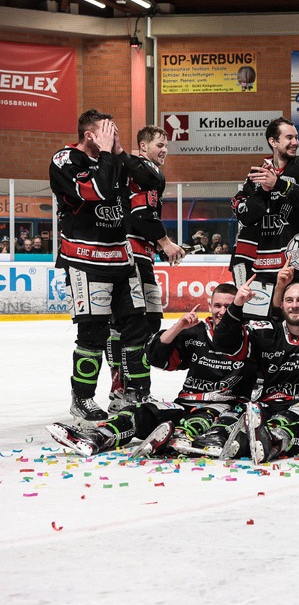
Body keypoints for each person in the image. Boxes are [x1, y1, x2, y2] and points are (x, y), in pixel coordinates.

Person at [46, 283, 258, 458]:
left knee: (199, 420)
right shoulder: (196, 331)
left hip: (224, 408)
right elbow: (155, 357)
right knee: (136, 411)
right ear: (209, 305)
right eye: (217, 305)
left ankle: (176, 440)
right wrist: (178, 327)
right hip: (185, 403)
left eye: (227, 307)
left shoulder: (251, 336)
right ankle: (97, 437)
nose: (221, 312)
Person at [49, 109, 153, 422]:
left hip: (121, 257)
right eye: (108, 132)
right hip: (85, 258)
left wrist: (119, 151)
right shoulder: (65, 160)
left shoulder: (114, 156)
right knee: (93, 333)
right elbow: (99, 191)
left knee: (137, 326)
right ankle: (82, 398)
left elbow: (151, 181)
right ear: (90, 135)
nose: (114, 136)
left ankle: (138, 393)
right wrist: (109, 154)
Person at [214, 269, 299, 464]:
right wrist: (235, 306)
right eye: (290, 300)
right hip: (270, 403)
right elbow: (223, 342)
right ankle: (218, 437)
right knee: (234, 412)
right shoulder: (266, 332)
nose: (295, 305)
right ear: (281, 304)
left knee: (292, 418)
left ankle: (271, 439)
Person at [106, 125, 185, 414]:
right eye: (159, 144)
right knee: (140, 325)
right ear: (142, 146)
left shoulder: (133, 171)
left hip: (133, 256)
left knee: (127, 326)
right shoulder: (144, 170)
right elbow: (141, 216)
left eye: (166, 145)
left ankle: (120, 390)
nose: (164, 150)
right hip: (133, 257)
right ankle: (134, 393)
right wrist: (165, 243)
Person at [229, 117, 299, 318]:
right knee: (260, 325)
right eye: (289, 137)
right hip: (261, 268)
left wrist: (280, 184)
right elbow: (243, 215)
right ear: (273, 142)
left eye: (297, 137)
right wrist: (264, 192)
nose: (295, 142)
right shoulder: (257, 175)